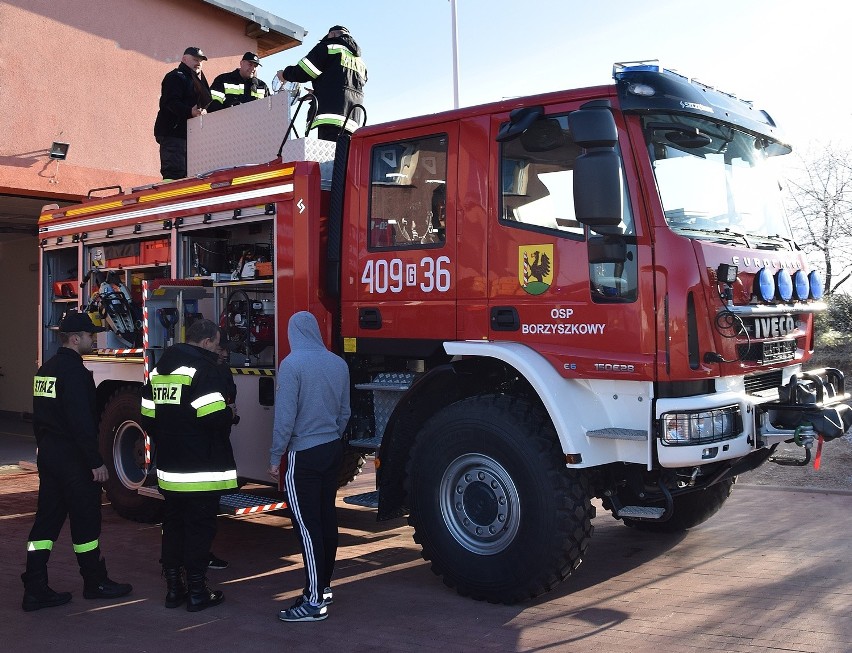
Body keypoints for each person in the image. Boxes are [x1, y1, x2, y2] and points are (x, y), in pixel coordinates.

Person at [22, 311, 133, 612]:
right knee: (86, 523)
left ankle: (35, 587)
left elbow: (39, 419)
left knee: (46, 522)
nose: (93, 340)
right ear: (75, 339)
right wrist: (95, 462)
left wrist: (43, 448)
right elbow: (82, 424)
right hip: (73, 460)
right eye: (89, 336)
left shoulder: (45, 370)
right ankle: (94, 582)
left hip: (50, 456)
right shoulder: (75, 374)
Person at [141, 319, 237, 611]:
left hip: (170, 467)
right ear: (207, 341)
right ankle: (197, 591)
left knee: (173, 525)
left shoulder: (160, 370)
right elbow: (211, 416)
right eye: (216, 343)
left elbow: (147, 414)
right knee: (199, 528)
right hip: (201, 468)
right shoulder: (204, 370)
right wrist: (229, 414)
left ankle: (174, 590)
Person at [269, 311, 350, 622]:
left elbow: (285, 418)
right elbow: (345, 411)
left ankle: (314, 602)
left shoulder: (292, 366)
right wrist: (332, 436)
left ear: (292, 333)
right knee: (326, 520)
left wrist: (276, 456)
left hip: (304, 453)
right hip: (332, 449)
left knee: (306, 527)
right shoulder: (337, 363)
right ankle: (323, 586)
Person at [276, 25, 367, 141]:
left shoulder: (328, 46)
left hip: (331, 115)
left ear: (332, 34)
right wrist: (319, 91)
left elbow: (305, 70)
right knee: (344, 155)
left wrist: (284, 75)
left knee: (329, 156)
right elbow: (348, 84)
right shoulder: (360, 60)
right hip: (353, 118)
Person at [154, 46, 213, 181]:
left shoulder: (197, 80)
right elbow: (170, 103)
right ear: (184, 59)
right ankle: (171, 201)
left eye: (201, 60)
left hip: (190, 135)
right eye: (195, 59)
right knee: (174, 174)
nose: (198, 63)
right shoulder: (175, 77)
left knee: (189, 176)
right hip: (174, 134)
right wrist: (190, 112)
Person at [207, 327, 239, 571]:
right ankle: (199, 560)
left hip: (215, 444)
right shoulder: (207, 372)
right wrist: (228, 415)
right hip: (209, 450)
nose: (225, 353)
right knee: (203, 508)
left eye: (227, 349)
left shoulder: (219, 369)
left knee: (207, 507)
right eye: (221, 348)